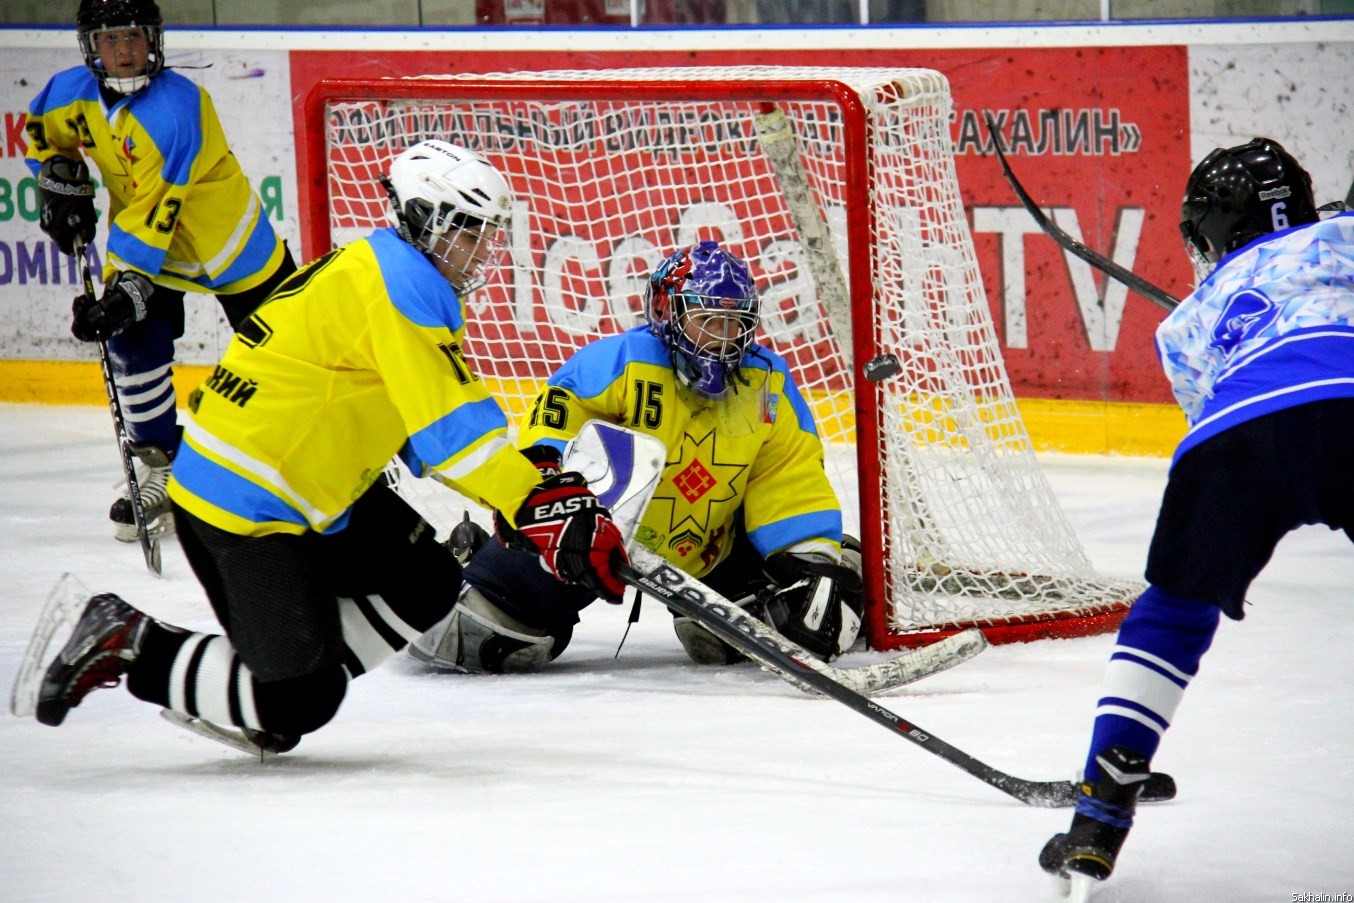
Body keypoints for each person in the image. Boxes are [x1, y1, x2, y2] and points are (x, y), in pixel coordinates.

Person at [27, 140, 628, 753]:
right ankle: (130, 640)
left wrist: (522, 494)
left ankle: (276, 682)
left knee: (426, 581)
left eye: (487, 234)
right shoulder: (402, 284)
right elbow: (455, 435)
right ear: (428, 221)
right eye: (470, 232)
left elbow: (423, 428)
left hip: (308, 489)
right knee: (298, 701)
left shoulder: (389, 267)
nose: (483, 250)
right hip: (241, 508)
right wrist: (538, 502)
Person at [1039, 138, 1354, 890]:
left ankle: (1101, 812)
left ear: (1211, 230)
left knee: (1174, 609)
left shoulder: (1184, 322)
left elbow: (1214, 412)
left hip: (1236, 433)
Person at [409, 239, 863, 674]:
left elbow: (789, 476)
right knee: (474, 639)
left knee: (788, 618)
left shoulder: (767, 383)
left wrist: (807, 559)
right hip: (587, 545)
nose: (723, 340)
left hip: (710, 551)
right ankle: (467, 560)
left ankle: (761, 587)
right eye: (708, 321)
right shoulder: (621, 361)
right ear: (667, 314)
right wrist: (546, 486)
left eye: (734, 324)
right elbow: (550, 431)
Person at [25, 0, 298, 543]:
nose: (124, 51)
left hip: (232, 248)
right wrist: (58, 178)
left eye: (133, 37)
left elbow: (157, 206)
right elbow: (41, 136)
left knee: (291, 358)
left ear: (153, 40)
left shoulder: (178, 108)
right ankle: (162, 469)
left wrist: (126, 282)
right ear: (90, 49)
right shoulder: (67, 95)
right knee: (133, 345)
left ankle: (318, 456)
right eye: (110, 40)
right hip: (156, 252)